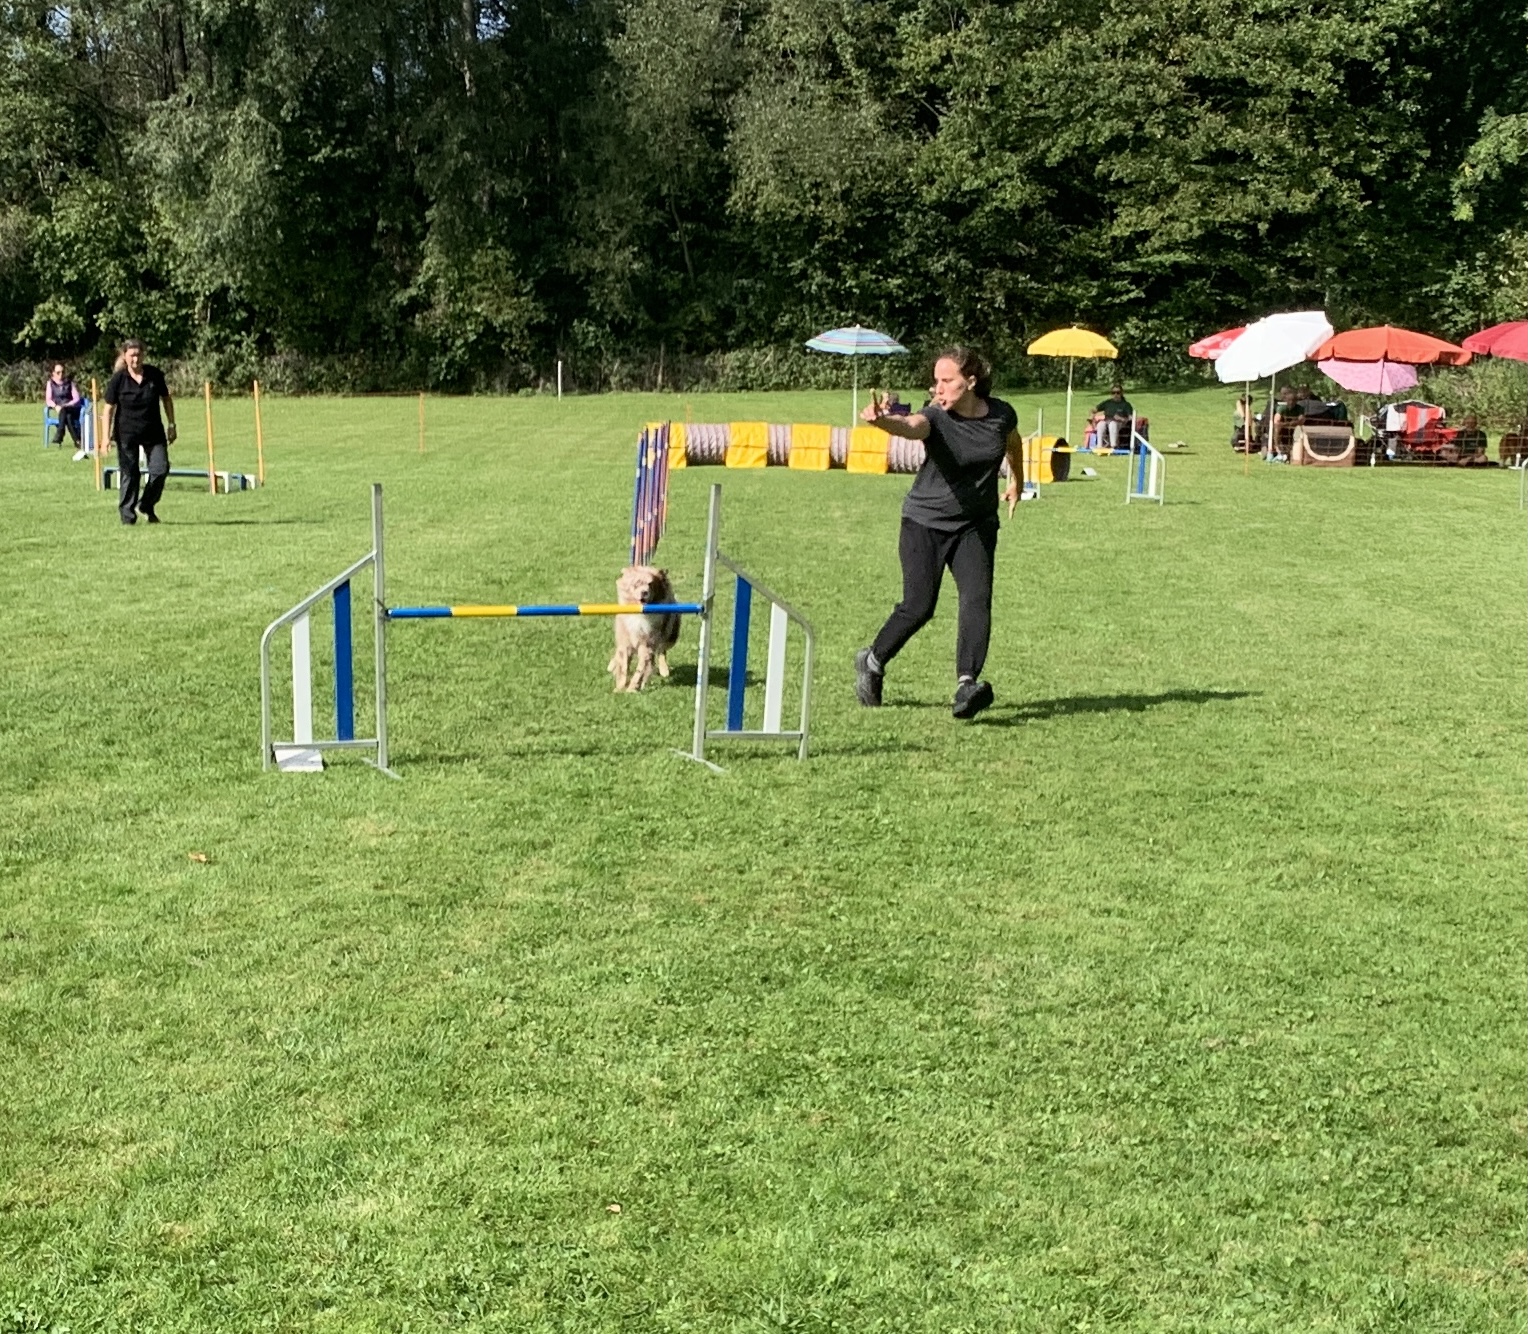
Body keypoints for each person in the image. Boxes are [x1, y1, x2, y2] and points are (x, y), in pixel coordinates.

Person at [853, 347, 1024, 720]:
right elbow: (910, 426)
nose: (938, 388)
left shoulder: (1001, 414)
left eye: (947, 380)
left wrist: (1018, 480)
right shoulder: (935, 416)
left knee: (976, 600)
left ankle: (966, 685)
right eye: (936, 381)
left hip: (976, 525)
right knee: (919, 606)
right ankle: (873, 660)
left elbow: (1012, 442)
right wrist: (883, 422)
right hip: (924, 523)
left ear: (971, 382)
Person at [102, 339, 177, 525]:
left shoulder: (154, 375)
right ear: (125, 356)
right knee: (130, 473)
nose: (135, 359)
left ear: (143, 355)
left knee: (160, 469)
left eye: (138, 355)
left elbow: (166, 399)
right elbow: (108, 409)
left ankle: (146, 504)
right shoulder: (118, 379)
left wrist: (172, 424)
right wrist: (105, 438)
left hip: (153, 433)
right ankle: (127, 516)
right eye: (131, 355)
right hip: (126, 433)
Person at [45, 363, 85, 459]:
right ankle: (77, 441)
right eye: (58, 372)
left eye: (62, 372)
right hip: (62, 411)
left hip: (72, 408)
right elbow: (48, 400)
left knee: (66, 411)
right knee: (68, 417)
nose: (61, 374)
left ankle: (60, 432)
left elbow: (76, 399)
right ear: (53, 373)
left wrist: (67, 405)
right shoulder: (50, 384)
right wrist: (55, 406)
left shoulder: (69, 383)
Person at [1092, 384, 1134, 451]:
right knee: (1100, 424)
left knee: (1112, 424)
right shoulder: (1107, 403)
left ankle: (1113, 446)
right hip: (1107, 420)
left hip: (1119, 423)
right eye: (1113, 393)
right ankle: (1099, 446)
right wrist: (1092, 416)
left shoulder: (1126, 405)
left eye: (1118, 392)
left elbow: (1131, 418)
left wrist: (1120, 418)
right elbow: (1094, 410)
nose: (1115, 394)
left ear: (1121, 393)